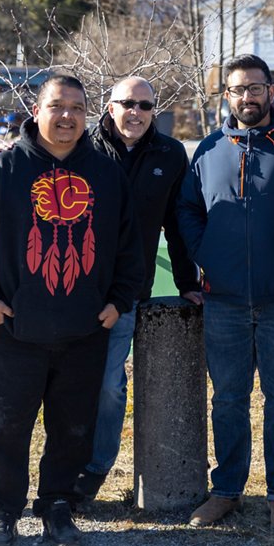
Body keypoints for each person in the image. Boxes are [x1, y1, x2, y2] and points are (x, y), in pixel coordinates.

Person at [0, 73, 144, 546]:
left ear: (89, 115)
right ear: (36, 110)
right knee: (6, 425)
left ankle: (58, 506)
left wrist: (116, 303)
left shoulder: (106, 173)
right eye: (57, 106)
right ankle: (1, 512)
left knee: (73, 426)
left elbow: (130, 247)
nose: (67, 117)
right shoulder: (4, 171)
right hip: (18, 329)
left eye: (77, 108)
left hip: (86, 329)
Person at [178, 54, 274, 531]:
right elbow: (188, 209)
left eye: (256, 88)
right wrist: (207, 253)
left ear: (271, 92)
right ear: (227, 96)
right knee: (228, 399)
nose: (247, 97)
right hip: (225, 298)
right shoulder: (210, 149)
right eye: (237, 89)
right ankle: (227, 490)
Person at [71, 75, 200, 508]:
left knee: (109, 382)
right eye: (127, 103)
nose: (136, 113)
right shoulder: (82, 148)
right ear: (110, 107)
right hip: (72, 288)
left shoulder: (170, 155)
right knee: (69, 383)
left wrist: (188, 283)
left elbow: (177, 225)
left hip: (127, 291)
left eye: (145, 106)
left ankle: (94, 467)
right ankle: (61, 468)